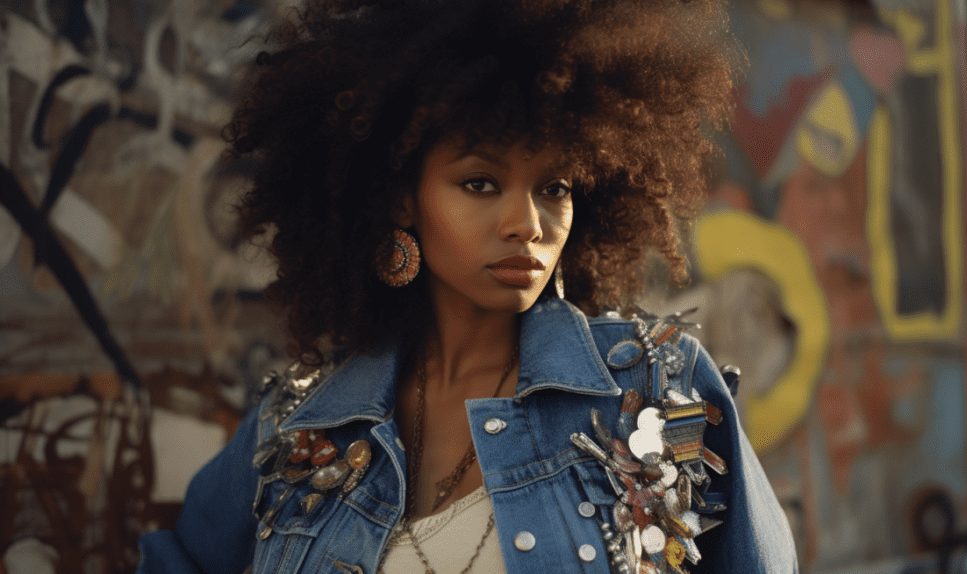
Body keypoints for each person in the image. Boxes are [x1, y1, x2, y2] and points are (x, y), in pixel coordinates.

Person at [137, 0, 798, 572]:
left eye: (554, 188)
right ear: (400, 197)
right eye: (481, 183)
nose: (526, 224)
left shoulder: (657, 389)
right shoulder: (303, 424)